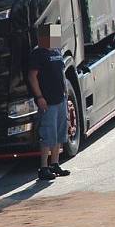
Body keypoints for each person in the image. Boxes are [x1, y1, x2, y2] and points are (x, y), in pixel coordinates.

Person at [29, 23, 72, 181]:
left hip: (60, 98)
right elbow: (32, 76)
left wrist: (65, 92)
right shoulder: (38, 53)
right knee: (48, 133)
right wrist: (39, 97)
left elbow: (61, 72)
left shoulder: (56, 51)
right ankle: (43, 167)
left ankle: (55, 164)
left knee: (59, 133)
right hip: (48, 101)